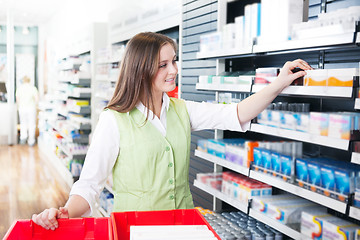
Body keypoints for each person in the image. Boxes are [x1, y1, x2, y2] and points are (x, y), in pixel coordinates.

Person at [32, 32, 312, 230]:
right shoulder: (114, 120)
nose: (174, 69)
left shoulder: (182, 110)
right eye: (163, 65)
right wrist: (67, 210)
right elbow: (90, 184)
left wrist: (279, 83)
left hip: (181, 228)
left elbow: (236, 113)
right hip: (134, 231)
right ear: (141, 70)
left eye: (174, 61)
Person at [15, 76, 39, 146]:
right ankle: (31, 141)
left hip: (22, 108)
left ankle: (23, 138)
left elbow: (17, 100)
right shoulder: (33, 88)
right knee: (32, 124)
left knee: (23, 123)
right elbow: (37, 99)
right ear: (29, 80)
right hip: (31, 108)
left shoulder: (19, 88)